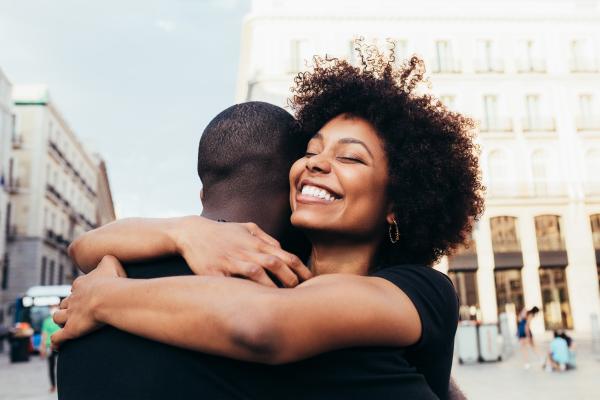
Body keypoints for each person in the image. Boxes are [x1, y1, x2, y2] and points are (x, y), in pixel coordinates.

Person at [55, 43, 483, 399]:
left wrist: (103, 296)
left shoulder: (419, 289)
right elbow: (85, 246)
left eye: (350, 157)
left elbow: (265, 326)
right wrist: (186, 231)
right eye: (311, 151)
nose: (317, 164)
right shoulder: (276, 269)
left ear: (398, 201)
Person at [40, 305, 61, 392]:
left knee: (58, 367)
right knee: (51, 367)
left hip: (60, 345)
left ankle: (57, 385)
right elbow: (44, 335)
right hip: (51, 346)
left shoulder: (61, 319)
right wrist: (43, 347)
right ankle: (53, 385)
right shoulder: (47, 321)